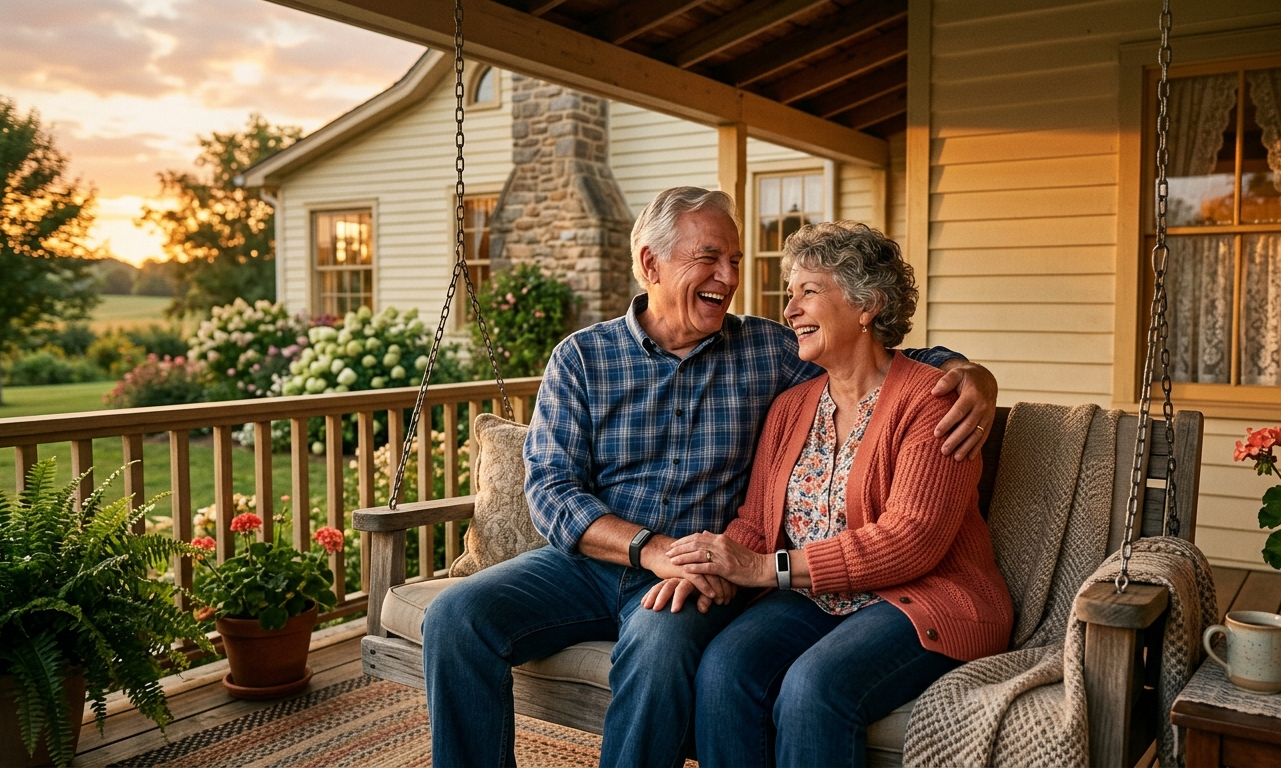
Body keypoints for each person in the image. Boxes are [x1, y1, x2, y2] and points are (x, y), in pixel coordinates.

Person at [421, 188, 999, 768]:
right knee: (455, 616)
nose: (729, 277)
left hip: (701, 570)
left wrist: (968, 373)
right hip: (592, 562)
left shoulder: (769, 351)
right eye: (710, 257)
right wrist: (651, 549)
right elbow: (548, 490)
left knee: (663, 646)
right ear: (651, 263)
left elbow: (872, 355)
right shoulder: (583, 357)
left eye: (736, 261)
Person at [655, 221, 1015, 768]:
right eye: (789, 294)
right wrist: (709, 563)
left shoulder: (933, 401)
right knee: (725, 667)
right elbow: (755, 523)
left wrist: (765, 569)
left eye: (808, 292)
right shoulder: (791, 406)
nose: (790, 310)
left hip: (919, 598)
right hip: (817, 599)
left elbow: (909, 541)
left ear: (867, 304)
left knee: (813, 686)